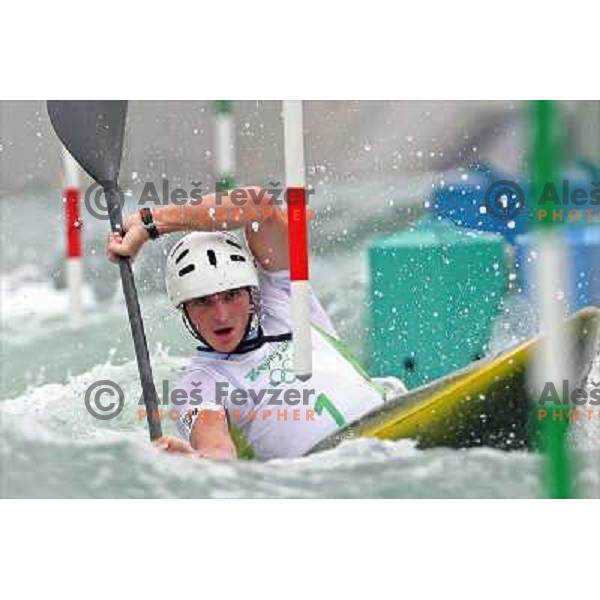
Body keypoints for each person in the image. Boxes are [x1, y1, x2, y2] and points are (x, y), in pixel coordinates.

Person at [107, 186, 405, 460]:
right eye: (202, 301)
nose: (221, 315)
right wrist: (193, 461)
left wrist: (151, 223)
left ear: (251, 291)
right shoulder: (199, 384)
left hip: (392, 417)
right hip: (322, 471)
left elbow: (258, 205)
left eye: (231, 295)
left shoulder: (286, 294)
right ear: (183, 310)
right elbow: (216, 450)